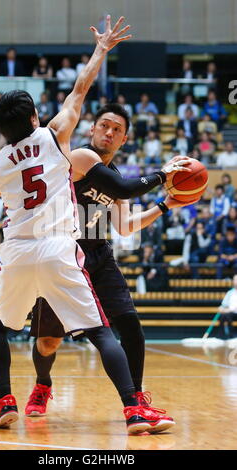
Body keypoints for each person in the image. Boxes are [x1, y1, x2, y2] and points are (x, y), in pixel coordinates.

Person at [0, 16, 172, 434]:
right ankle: (134, 409)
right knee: (101, 333)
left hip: (16, 250)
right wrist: (102, 48)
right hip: (58, 248)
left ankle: (3, 402)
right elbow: (80, 88)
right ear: (35, 118)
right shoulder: (55, 136)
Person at [27, 102, 191, 424]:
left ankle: (137, 398)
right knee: (48, 341)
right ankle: (43, 384)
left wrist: (165, 205)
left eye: (117, 130)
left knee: (130, 324)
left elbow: (125, 225)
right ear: (92, 129)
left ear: (124, 140)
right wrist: (164, 174)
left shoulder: (115, 176)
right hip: (64, 256)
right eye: (104, 125)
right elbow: (124, 187)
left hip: (100, 257)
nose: (109, 132)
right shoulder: (80, 157)